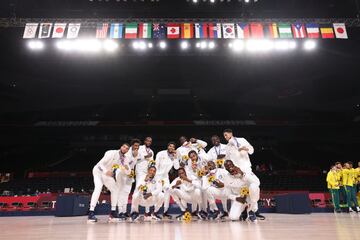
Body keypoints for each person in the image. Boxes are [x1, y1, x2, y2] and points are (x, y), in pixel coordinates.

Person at [88, 143, 130, 222]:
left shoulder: (125, 159)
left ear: (128, 150)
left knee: (115, 190)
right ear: (121, 147)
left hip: (107, 175)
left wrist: (127, 168)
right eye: (124, 147)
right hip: (98, 171)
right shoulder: (111, 152)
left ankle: (113, 212)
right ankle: (91, 212)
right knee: (98, 188)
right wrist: (106, 171)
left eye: (127, 148)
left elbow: (128, 172)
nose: (125, 149)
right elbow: (100, 164)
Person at [117, 139, 142, 219]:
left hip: (130, 175)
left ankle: (124, 212)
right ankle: (120, 212)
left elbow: (140, 159)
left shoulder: (138, 154)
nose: (136, 147)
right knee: (121, 193)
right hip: (122, 174)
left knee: (126, 193)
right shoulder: (126, 153)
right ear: (132, 146)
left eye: (138, 146)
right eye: (135, 146)